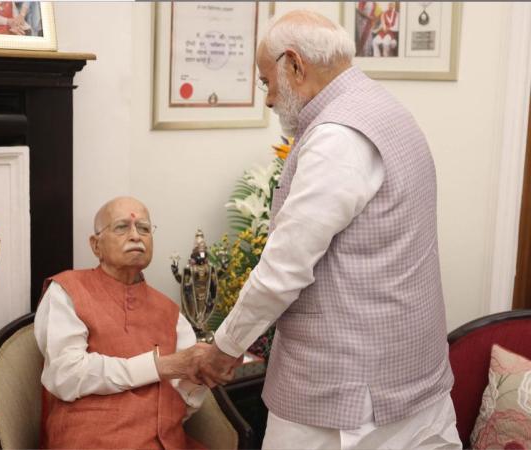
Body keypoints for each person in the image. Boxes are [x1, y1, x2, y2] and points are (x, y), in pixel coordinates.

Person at [196, 10, 462, 450]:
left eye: (266, 82)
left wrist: (224, 347)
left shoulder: (336, 137)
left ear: (294, 65)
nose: (268, 99)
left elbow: (283, 270)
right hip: (414, 378)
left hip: (345, 401)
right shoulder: (386, 107)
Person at [34, 196, 210, 449]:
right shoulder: (67, 291)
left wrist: (204, 373)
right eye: (122, 227)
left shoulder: (170, 311)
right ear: (96, 245)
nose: (136, 236)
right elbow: (65, 375)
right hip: (90, 441)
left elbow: (186, 398)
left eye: (144, 228)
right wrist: (158, 366)